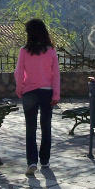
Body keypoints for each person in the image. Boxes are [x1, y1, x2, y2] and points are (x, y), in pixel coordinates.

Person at [14, 18, 61, 176]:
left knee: (30, 128)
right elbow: (56, 75)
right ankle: (45, 160)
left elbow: (19, 73)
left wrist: (20, 89)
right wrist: (56, 94)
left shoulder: (24, 51)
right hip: (47, 92)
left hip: (30, 92)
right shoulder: (51, 51)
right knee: (46, 126)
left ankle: (32, 161)